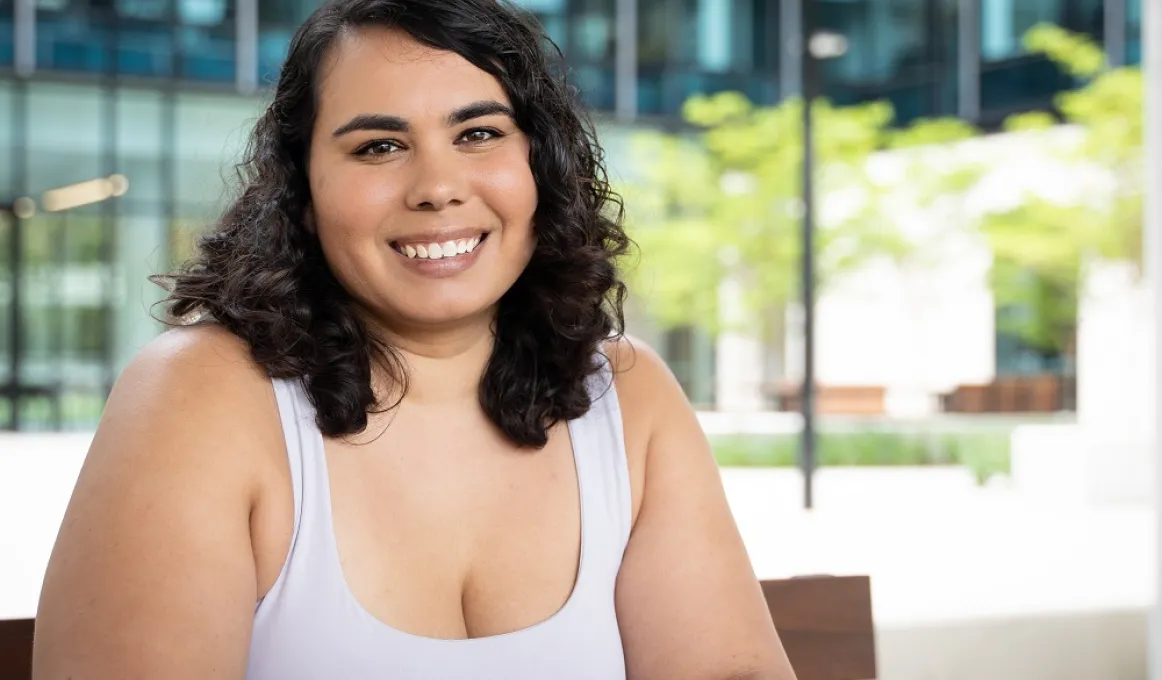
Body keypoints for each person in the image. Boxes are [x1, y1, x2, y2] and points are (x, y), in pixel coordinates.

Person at [32, 0, 795, 678]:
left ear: (540, 167)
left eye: (479, 133)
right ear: (301, 195)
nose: (437, 185)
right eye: (379, 147)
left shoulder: (625, 392)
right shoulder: (198, 395)